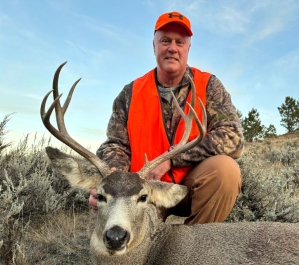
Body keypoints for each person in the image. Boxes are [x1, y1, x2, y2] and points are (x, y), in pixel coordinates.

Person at [90, 11, 245, 225]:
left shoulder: (209, 86)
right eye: (165, 41)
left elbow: (233, 137)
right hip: (144, 190)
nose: (172, 48)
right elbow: (116, 145)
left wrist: (173, 160)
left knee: (226, 171)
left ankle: (195, 247)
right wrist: (112, 176)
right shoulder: (130, 93)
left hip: (190, 185)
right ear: (154, 46)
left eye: (179, 42)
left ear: (188, 48)